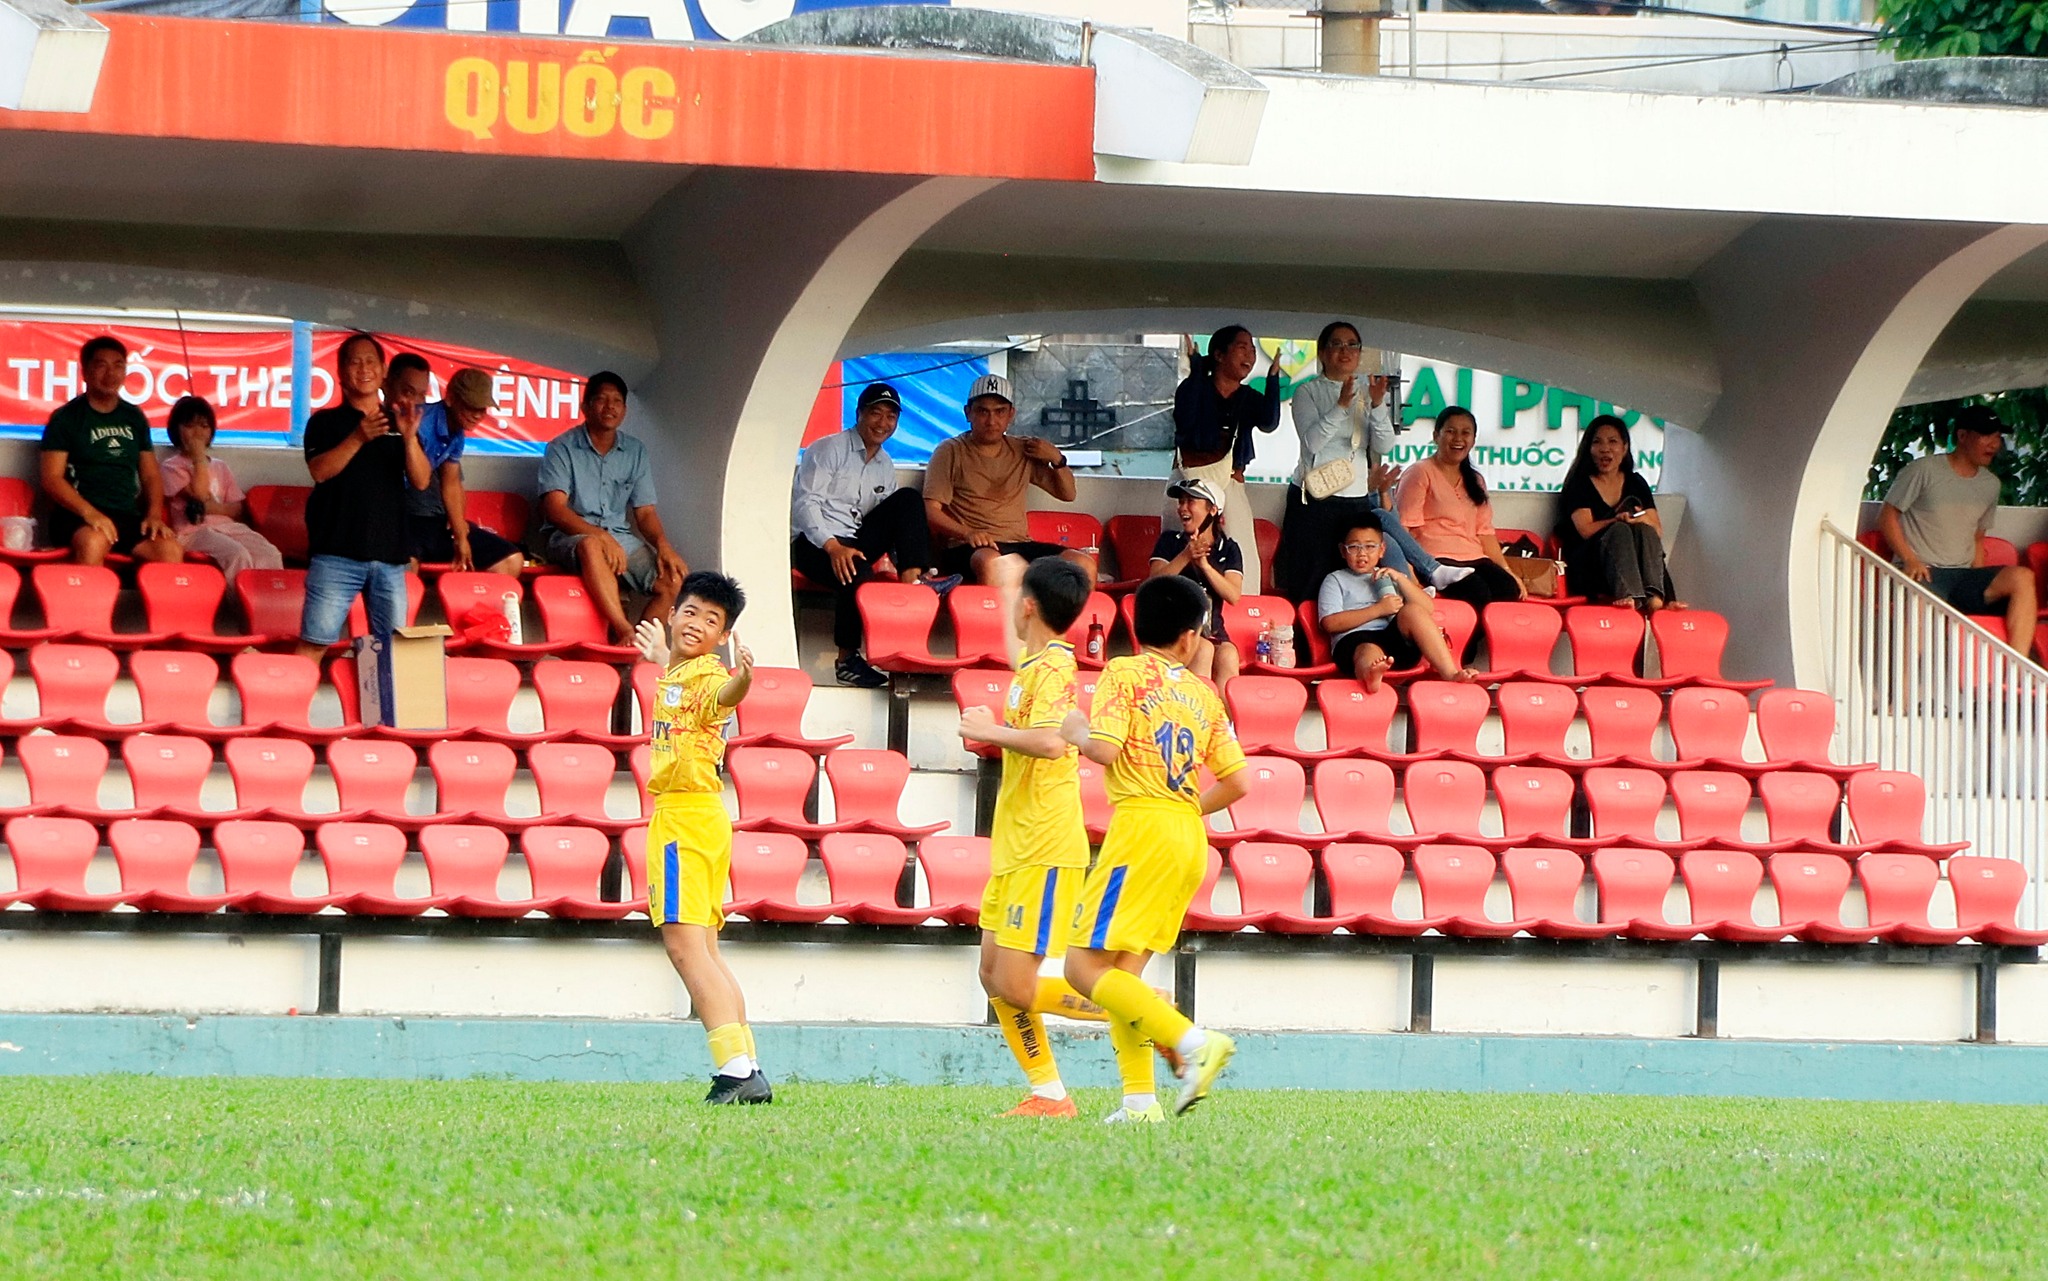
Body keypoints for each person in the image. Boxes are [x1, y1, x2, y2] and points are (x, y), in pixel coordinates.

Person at [1059, 575, 1248, 1122]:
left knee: (1081, 968)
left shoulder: (1124, 672)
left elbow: (1104, 748)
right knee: (1123, 975)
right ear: (1190, 638)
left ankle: (1194, 1043)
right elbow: (1238, 782)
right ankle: (1140, 1103)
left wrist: (1075, 731)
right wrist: (1185, 809)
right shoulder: (1204, 694)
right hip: (1188, 834)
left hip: (1142, 830)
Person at [955, 555, 1100, 1118]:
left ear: (1031, 607)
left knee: (1016, 984)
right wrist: (1006, 586)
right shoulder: (1036, 663)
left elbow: (1052, 743)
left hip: (1044, 843)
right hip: (1016, 845)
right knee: (992, 975)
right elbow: (1018, 649)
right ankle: (1050, 1095)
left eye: (1019, 599)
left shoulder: (1056, 667)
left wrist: (989, 730)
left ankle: (1142, 1008)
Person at [633, 570, 770, 1105]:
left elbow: (724, 694)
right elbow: (677, 684)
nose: (696, 624)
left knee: (685, 946)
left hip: (685, 820)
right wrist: (659, 657)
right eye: (690, 612)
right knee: (707, 949)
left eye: (711, 620)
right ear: (672, 615)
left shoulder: (710, 675)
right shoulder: (678, 671)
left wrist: (745, 679)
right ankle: (748, 1064)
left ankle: (735, 1071)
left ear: (723, 636)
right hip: (702, 817)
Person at [1277, 321, 1471, 604]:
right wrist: (1341, 406)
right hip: (1315, 498)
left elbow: (1384, 445)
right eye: (1336, 344)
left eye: (1352, 345)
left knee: (1358, 576)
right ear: (1322, 352)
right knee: (1312, 579)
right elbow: (1311, 443)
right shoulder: (1307, 392)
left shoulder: (1367, 392)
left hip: (1355, 497)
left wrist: (1378, 405)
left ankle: (1416, 583)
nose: (1345, 351)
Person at [791, 381, 959, 689]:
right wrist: (832, 547)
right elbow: (805, 505)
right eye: (875, 413)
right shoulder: (828, 449)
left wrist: (896, 558)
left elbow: (891, 523)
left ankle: (914, 581)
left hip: (854, 540)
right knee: (856, 570)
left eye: (891, 416)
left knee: (907, 499)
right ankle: (846, 661)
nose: (883, 423)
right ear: (859, 414)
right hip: (814, 543)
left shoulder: (884, 464)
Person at [297, 333, 432, 660]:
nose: (363, 368)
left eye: (371, 361)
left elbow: (421, 481)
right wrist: (359, 437)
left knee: (392, 650)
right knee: (315, 642)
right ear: (341, 372)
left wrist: (409, 438)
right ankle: (293, 697)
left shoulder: (399, 420)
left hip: (390, 558)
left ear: (384, 371)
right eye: (354, 362)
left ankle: (381, 699)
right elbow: (320, 471)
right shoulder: (324, 422)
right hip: (336, 554)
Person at [538, 372, 689, 643]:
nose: (610, 407)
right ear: (585, 407)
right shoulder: (561, 447)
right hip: (570, 537)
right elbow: (555, 509)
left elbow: (645, 512)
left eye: (617, 401)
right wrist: (601, 536)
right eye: (601, 400)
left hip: (620, 539)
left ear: (624, 410)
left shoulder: (635, 451)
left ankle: (638, 648)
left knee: (673, 581)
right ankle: (624, 630)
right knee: (591, 545)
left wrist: (663, 545)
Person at [1879, 405, 2037, 656]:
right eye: (1986, 435)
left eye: (1997, 436)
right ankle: (1907, 681)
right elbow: (1887, 516)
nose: (1994, 444)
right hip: (1923, 572)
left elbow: (1978, 538)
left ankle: (2018, 667)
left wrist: (1978, 576)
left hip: (1962, 576)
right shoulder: (1923, 469)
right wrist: (1909, 559)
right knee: (1918, 604)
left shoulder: (1990, 484)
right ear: (1962, 436)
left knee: (2022, 577)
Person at [922, 374, 1096, 587]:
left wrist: (1057, 459)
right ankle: (991, 611)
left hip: (1020, 544)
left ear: (1011, 414)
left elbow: (1068, 494)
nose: (991, 421)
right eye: (983, 411)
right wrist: (968, 533)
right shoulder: (950, 451)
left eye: (1000, 411)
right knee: (993, 563)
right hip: (969, 547)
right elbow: (930, 511)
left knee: (1083, 564)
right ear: (968, 413)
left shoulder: (1023, 449)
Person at [38, 334, 182, 566]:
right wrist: (90, 514)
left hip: (125, 515)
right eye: (101, 365)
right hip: (77, 516)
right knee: (94, 541)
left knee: (170, 549)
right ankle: (88, 592)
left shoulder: (134, 416)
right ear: (85, 372)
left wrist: (154, 515)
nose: (111, 373)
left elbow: (150, 475)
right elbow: (52, 479)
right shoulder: (65, 418)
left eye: (118, 366)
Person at [1170, 325, 1282, 593]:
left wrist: (1273, 379)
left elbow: (1269, 422)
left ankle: (1242, 607)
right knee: (1177, 545)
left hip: (1230, 480)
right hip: (1188, 482)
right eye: (1242, 348)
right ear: (1219, 355)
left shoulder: (1248, 397)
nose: (1250, 355)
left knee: (1241, 548)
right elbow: (1185, 419)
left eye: (1252, 350)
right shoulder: (1193, 388)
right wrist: (1197, 371)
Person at [1318, 516, 1476, 693]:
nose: (1362, 554)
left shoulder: (1388, 575)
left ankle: (1451, 673)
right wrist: (1378, 609)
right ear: (1343, 551)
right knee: (1368, 650)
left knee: (1413, 611)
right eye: (1354, 547)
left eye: (1370, 547)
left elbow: (1427, 608)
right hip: (1354, 640)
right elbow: (1330, 623)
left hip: (1394, 641)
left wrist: (1400, 579)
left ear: (1382, 550)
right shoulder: (1336, 579)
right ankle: (1371, 675)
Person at [1393, 406, 1526, 611]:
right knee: (1478, 592)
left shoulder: (1476, 480)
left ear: (1473, 439)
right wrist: (1409, 571)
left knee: (1507, 589)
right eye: (1450, 431)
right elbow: (1403, 529)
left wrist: (1507, 570)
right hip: (1436, 561)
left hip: (1475, 558)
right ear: (1436, 436)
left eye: (1465, 433)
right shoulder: (1419, 472)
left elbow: (1485, 532)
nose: (1458, 439)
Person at [406, 365, 526, 576]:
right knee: (404, 567)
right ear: (451, 399)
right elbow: (418, 481)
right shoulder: (420, 423)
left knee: (511, 560)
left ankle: (475, 601)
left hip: (435, 522)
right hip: (401, 518)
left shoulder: (457, 431)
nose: (477, 415)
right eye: (470, 406)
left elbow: (451, 483)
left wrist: (460, 534)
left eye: (482, 408)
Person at [1556, 414, 1683, 612]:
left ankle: (1656, 598)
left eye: (1612, 441)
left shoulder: (1636, 483)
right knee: (1619, 530)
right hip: (1592, 567)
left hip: (1635, 566)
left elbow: (1657, 529)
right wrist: (1615, 520)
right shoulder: (1579, 484)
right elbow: (1585, 530)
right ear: (1589, 449)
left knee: (1645, 530)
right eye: (1597, 442)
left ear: (1624, 448)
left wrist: (1639, 520)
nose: (1605, 448)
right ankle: (1629, 595)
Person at [157, 395, 283, 584]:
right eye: (190, 426)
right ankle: (238, 600)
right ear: (176, 429)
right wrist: (198, 458)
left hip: (228, 527)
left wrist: (213, 508)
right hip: (193, 533)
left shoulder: (220, 466)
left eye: (204, 426)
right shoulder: (171, 466)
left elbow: (236, 508)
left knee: (270, 553)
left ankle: (267, 599)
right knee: (237, 554)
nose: (198, 433)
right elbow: (199, 494)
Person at [1147, 478, 1244, 686]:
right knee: (1203, 649)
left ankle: (1226, 709)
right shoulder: (1170, 541)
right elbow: (1154, 584)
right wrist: (1186, 556)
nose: (1183, 508)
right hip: (1174, 630)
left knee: (1228, 654)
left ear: (1213, 510)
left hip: (1213, 630)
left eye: (1191, 501)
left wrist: (1205, 566)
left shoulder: (1229, 548)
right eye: (1181, 501)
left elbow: (1233, 595)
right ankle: (1198, 706)